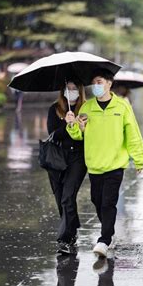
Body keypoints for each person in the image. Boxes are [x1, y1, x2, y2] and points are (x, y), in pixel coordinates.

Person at [66, 68, 143, 258]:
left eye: (100, 82)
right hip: (94, 164)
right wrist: (72, 125)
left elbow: (133, 133)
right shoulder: (86, 108)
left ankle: (105, 239)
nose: (96, 86)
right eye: (94, 82)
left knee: (108, 202)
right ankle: (108, 231)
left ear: (110, 84)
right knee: (97, 200)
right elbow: (78, 136)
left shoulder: (122, 106)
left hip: (116, 163)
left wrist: (139, 158)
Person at [47, 80, 88, 255]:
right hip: (56, 160)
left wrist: (80, 126)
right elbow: (53, 134)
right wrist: (66, 124)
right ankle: (72, 226)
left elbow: (90, 137)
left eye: (74, 89)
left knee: (67, 197)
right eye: (68, 89)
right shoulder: (54, 109)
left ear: (80, 91)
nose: (71, 92)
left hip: (78, 159)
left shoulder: (86, 109)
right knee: (60, 200)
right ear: (63, 91)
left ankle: (65, 239)